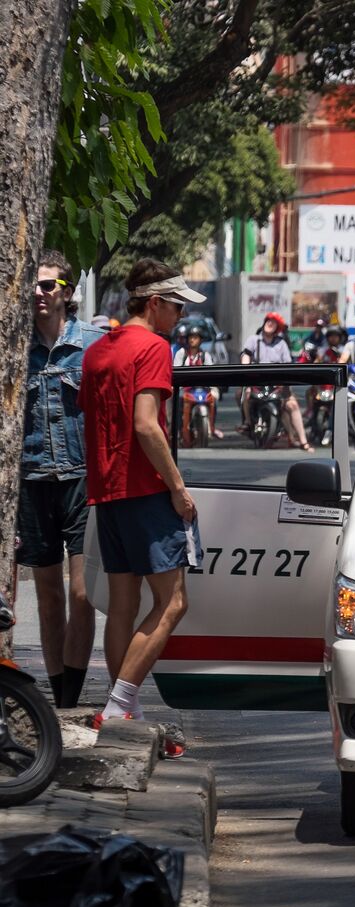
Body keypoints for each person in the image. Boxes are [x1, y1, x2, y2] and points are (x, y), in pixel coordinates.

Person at [78, 259, 204, 743]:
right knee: (173, 602)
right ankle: (118, 706)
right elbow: (147, 425)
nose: (181, 317)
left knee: (123, 606)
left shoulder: (97, 351)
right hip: (146, 491)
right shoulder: (153, 347)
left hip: (106, 492)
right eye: (177, 307)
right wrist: (177, 487)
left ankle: (122, 714)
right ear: (154, 303)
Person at [20, 250, 102, 708]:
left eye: (47, 284)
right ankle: (58, 701)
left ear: (67, 292)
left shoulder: (92, 345)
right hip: (32, 482)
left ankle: (71, 696)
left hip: (80, 479)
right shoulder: (15, 346)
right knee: (48, 596)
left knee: (82, 592)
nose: (38, 292)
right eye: (33, 284)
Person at [240, 312, 313, 451]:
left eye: (273, 322)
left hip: (277, 382)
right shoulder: (253, 340)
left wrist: (286, 383)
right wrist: (246, 370)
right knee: (244, 393)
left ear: (277, 328)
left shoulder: (281, 344)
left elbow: (288, 365)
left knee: (292, 405)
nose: (270, 323)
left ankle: (303, 441)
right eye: (268, 320)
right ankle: (248, 423)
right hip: (256, 381)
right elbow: (246, 355)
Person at [173, 324, 224, 443]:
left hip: (202, 388)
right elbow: (175, 371)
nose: (192, 340)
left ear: (200, 340)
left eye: (195, 337)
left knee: (214, 397)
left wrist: (213, 386)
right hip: (184, 388)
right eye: (190, 337)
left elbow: (211, 373)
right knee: (177, 400)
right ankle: (178, 430)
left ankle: (211, 427)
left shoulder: (205, 355)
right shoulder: (181, 353)